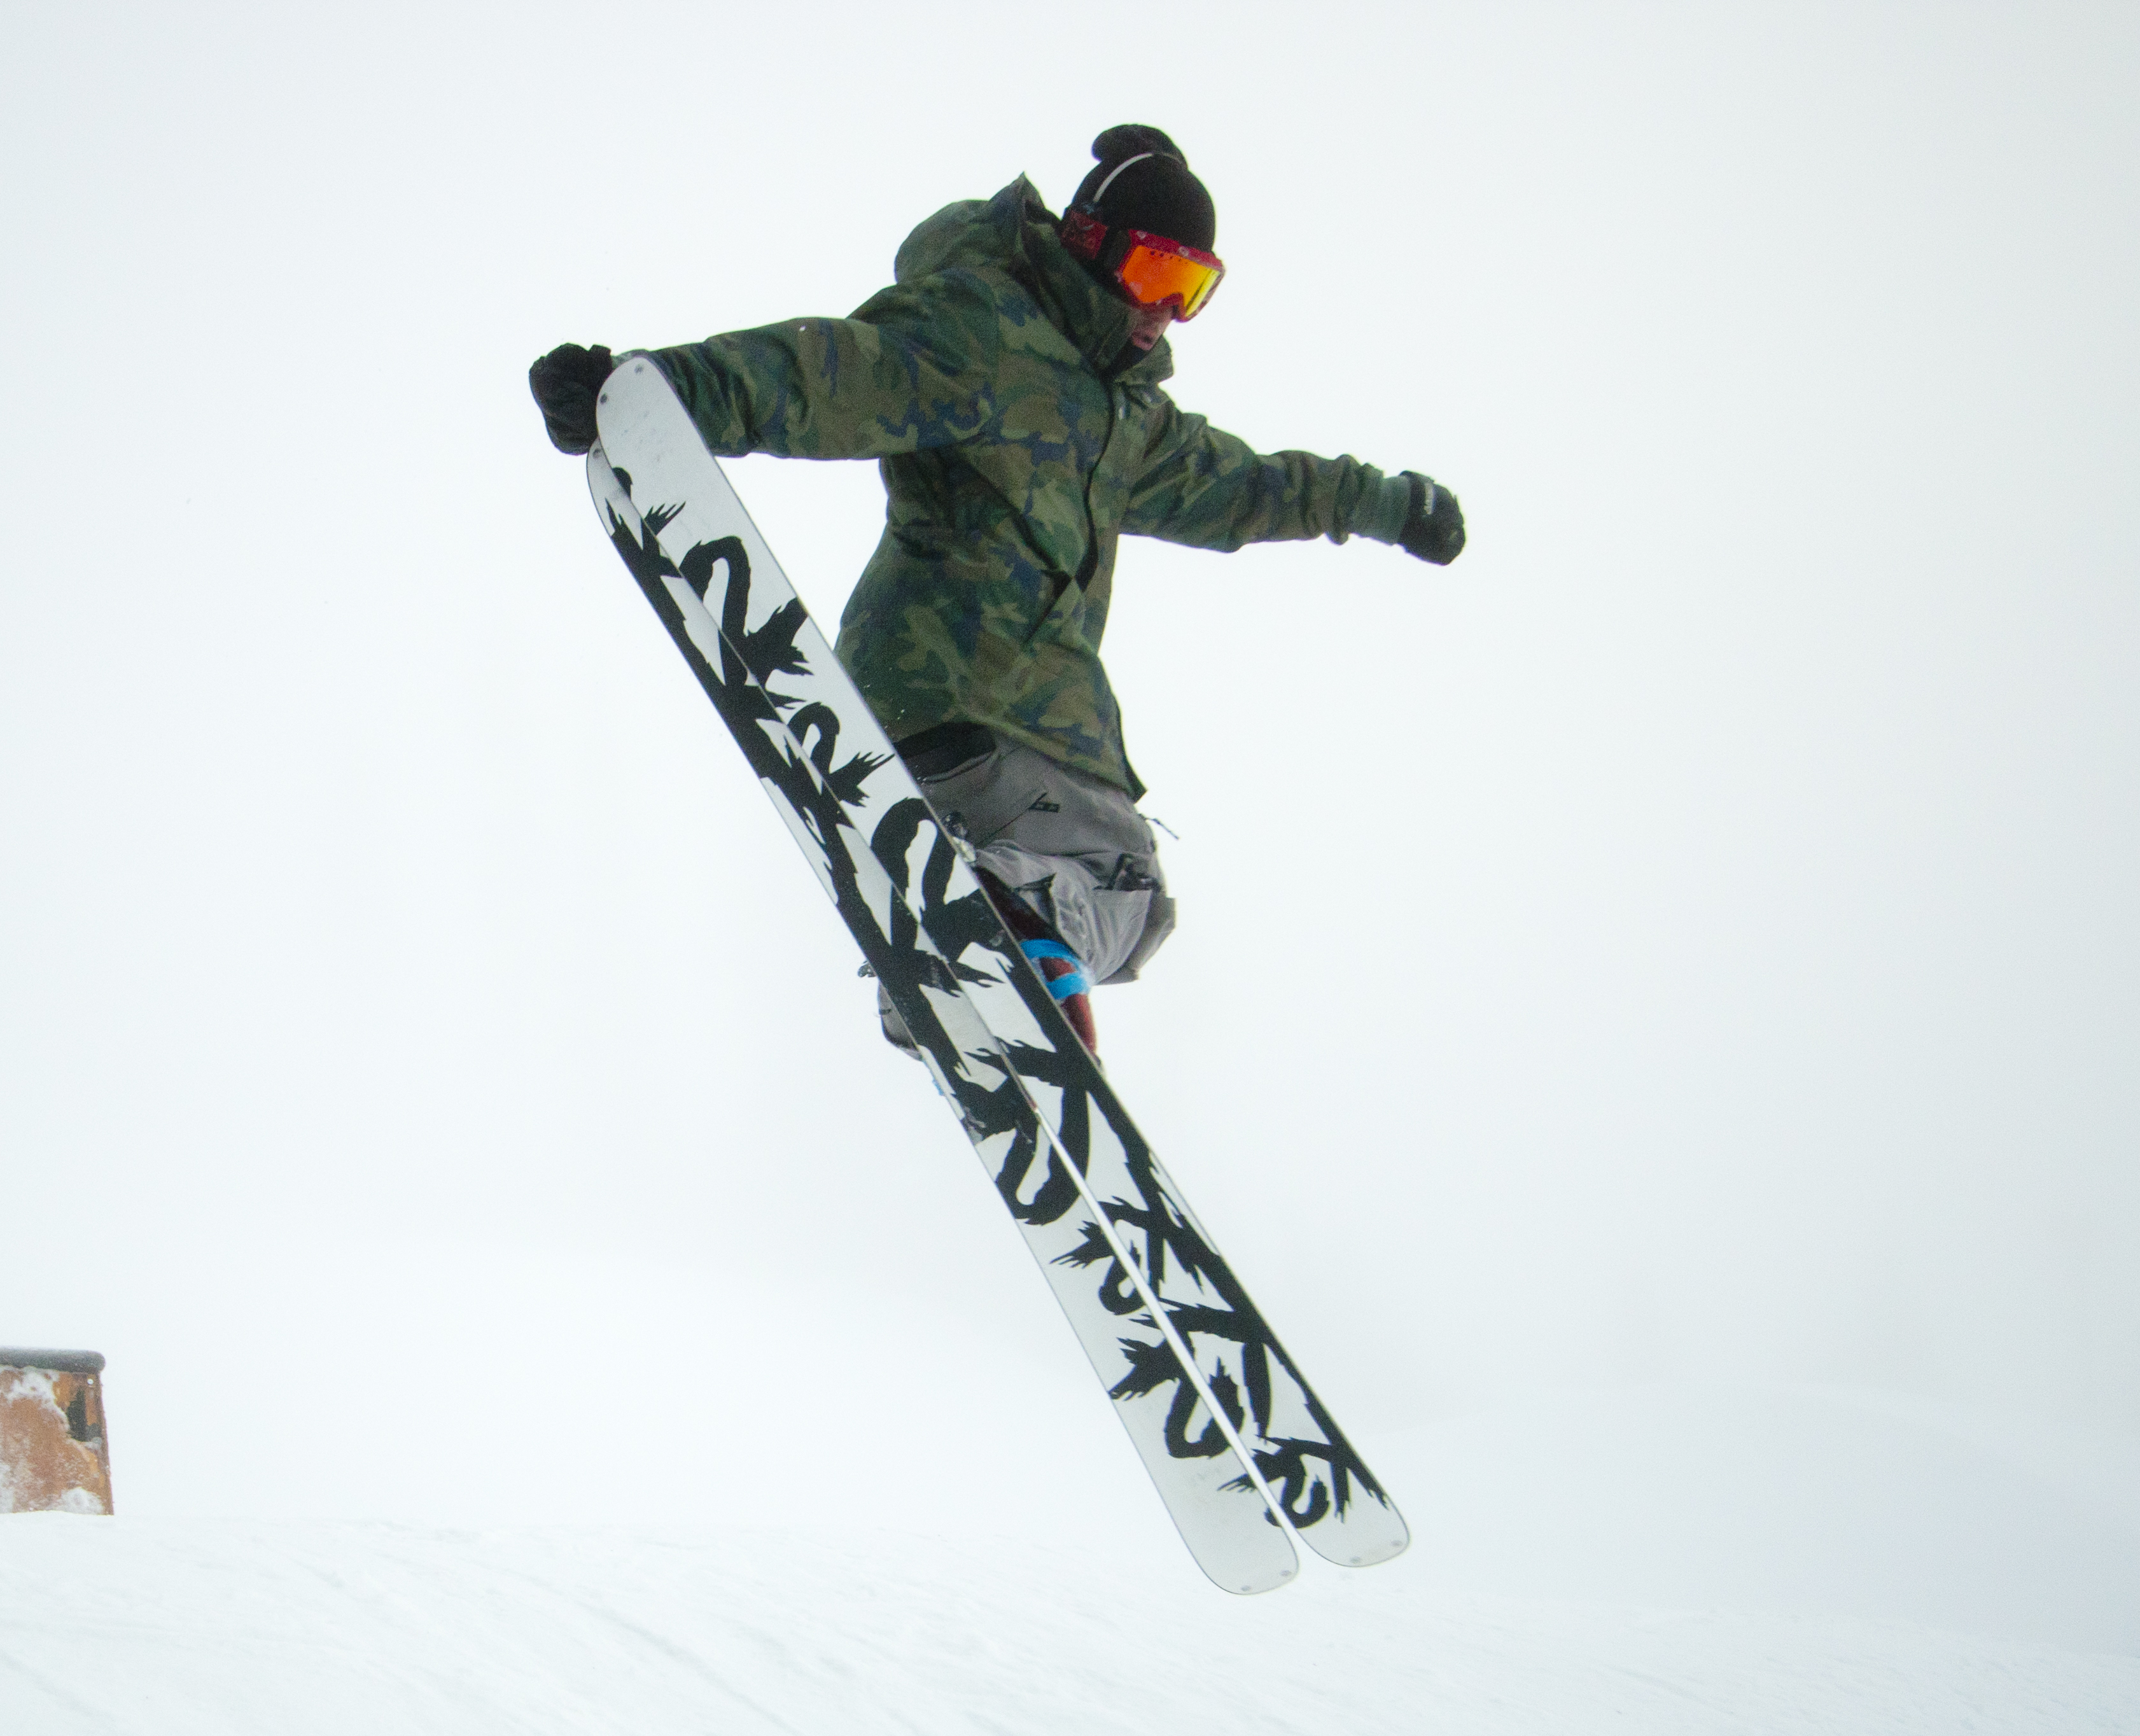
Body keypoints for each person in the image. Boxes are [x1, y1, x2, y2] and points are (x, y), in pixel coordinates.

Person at [530, 125, 1463, 1054]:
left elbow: (1261, 488)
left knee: (1094, 879)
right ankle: (1007, 917)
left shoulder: (1131, 425)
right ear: (1093, 243)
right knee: (1128, 891)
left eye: (1191, 291)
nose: (1163, 315)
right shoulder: (988, 335)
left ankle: (950, 977)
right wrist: (652, 392)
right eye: (1154, 276)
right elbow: (828, 378)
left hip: (947, 733)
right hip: (989, 718)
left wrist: (1391, 504)